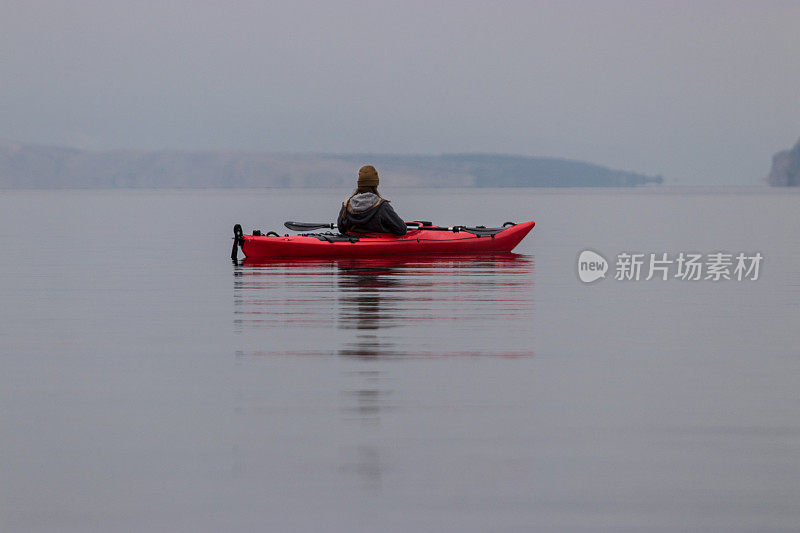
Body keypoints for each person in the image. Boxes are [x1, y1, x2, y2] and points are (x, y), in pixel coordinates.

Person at [337, 165, 407, 235]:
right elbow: (401, 229)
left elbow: (341, 229)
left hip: (354, 243)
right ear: (375, 185)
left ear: (359, 184)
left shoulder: (346, 205)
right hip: (378, 244)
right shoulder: (382, 206)